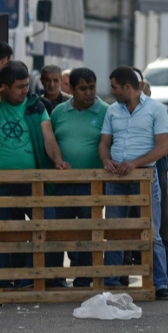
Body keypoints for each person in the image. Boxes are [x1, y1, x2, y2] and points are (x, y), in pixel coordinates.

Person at [0, 61, 69, 287]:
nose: (26, 90)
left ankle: (38, 277)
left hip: (33, 181)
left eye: (26, 85)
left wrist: (58, 160)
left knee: (48, 223)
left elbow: (48, 138)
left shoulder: (36, 105)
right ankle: (2, 282)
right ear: (4, 87)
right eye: (20, 86)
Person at [98, 66, 168, 299]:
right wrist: (106, 160)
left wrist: (135, 164)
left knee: (151, 231)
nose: (112, 92)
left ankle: (160, 285)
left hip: (144, 178)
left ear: (127, 87)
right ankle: (111, 281)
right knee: (114, 230)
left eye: (114, 87)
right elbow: (104, 143)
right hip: (116, 178)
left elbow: (162, 148)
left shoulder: (157, 109)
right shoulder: (112, 111)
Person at [51, 67, 109, 287]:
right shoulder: (58, 112)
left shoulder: (105, 111)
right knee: (59, 231)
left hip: (91, 185)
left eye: (92, 87)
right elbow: (51, 142)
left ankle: (84, 278)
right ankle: (56, 277)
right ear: (71, 89)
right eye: (83, 88)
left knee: (88, 231)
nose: (88, 93)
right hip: (62, 184)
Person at [141, 80, 168, 295]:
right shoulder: (121, 112)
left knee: (163, 228)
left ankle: (167, 279)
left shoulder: (159, 110)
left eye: (145, 90)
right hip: (134, 178)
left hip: (159, 176)